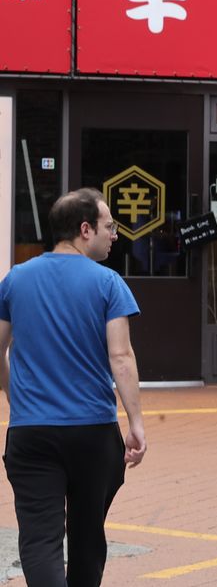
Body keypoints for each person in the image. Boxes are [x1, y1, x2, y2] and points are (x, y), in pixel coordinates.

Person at [0, 188, 146, 587]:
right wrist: (135, 422)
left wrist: (15, 395)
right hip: (92, 433)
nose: (114, 235)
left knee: (40, 539)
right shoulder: (109, 283)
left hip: (31, 433)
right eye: (109, 226)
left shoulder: (16, 279)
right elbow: (121, 357)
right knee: (86, 537)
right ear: (85, 230)